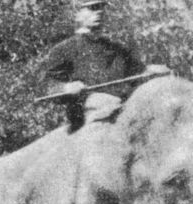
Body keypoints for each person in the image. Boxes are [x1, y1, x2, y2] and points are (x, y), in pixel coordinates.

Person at [41, 0, 169, 133]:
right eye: (92, 8)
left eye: (101, 7)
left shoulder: (118, 49)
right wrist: (66, 87)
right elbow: (48, 86)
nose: (99, 12)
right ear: (77, 14)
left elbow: (138, 74)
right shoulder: (63, 50)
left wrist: (152, 72)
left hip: (122, 114)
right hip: (86, 121)